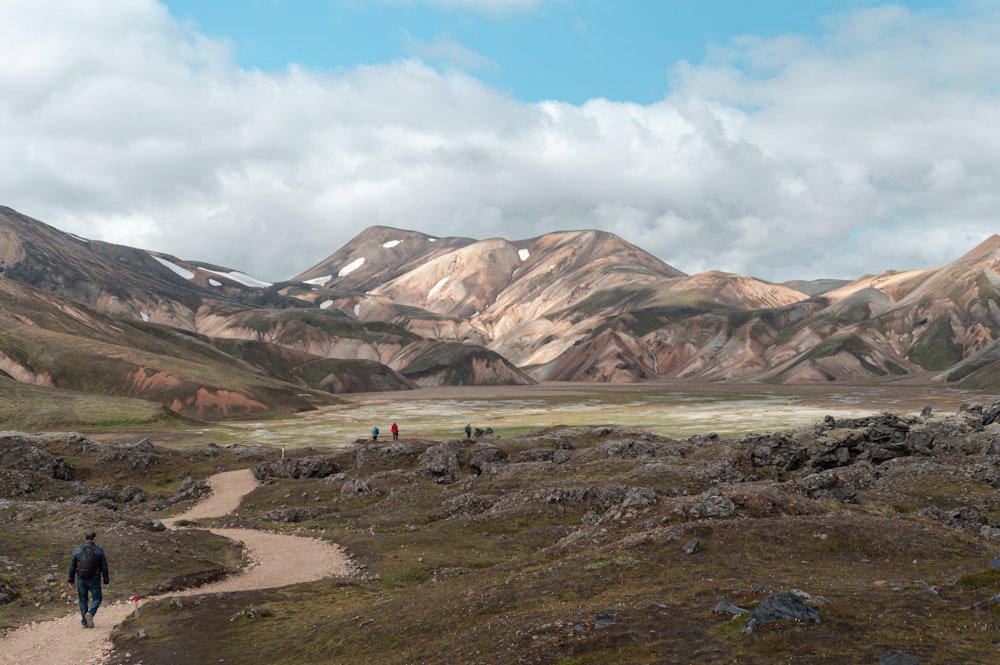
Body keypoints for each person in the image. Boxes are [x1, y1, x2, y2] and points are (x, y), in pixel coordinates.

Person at [67, 531, 109, 629]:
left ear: (84, 538)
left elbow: (72, 567)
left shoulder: (77, 550)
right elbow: (104, 567)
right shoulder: (99, 550)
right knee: (97, 598)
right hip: (94, 579)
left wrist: (71, 580)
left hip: (81, 579)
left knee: (82, 600)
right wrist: (106, 581)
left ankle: (84, 623)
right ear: (94, 538)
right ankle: (90, 613)